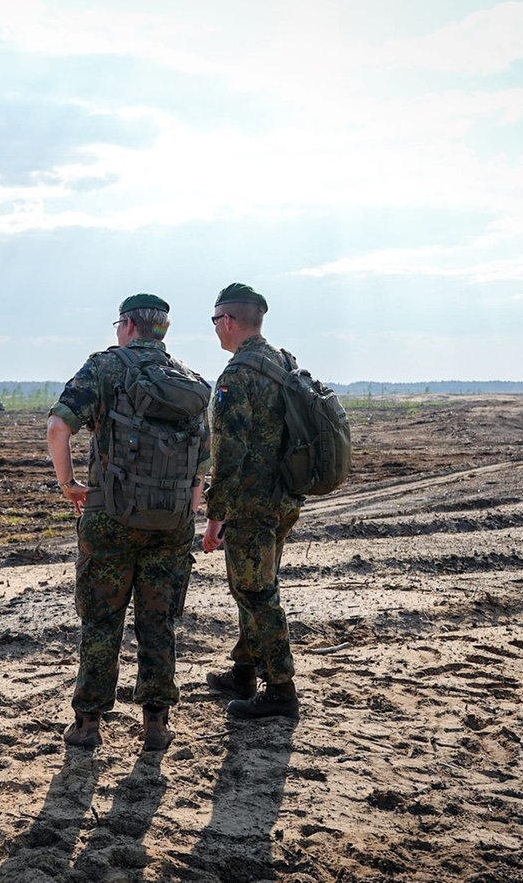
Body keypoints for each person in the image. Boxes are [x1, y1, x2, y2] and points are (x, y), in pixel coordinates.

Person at [47, 293, 211, 750]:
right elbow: (202, 465)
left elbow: (59, 426)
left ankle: (87, 725)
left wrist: (69, 484)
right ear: (163, 331)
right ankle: (156, 724)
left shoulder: (104, 367)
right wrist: (187, 509)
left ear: (128, 326)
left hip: (110, 516)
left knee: (101, 621)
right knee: (159, 621)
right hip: (172, 521)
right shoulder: (190, 380)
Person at [202, 282, 302, 719]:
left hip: (252, 506)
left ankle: (281, 689)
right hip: (284, 499)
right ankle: (243, 670)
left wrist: (214, 515)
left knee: (257, 591)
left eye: (214, 322)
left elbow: (229, 455)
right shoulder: (283, 362)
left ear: (227, 321)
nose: (215, 331)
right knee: (254, 584)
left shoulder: (238, 375)